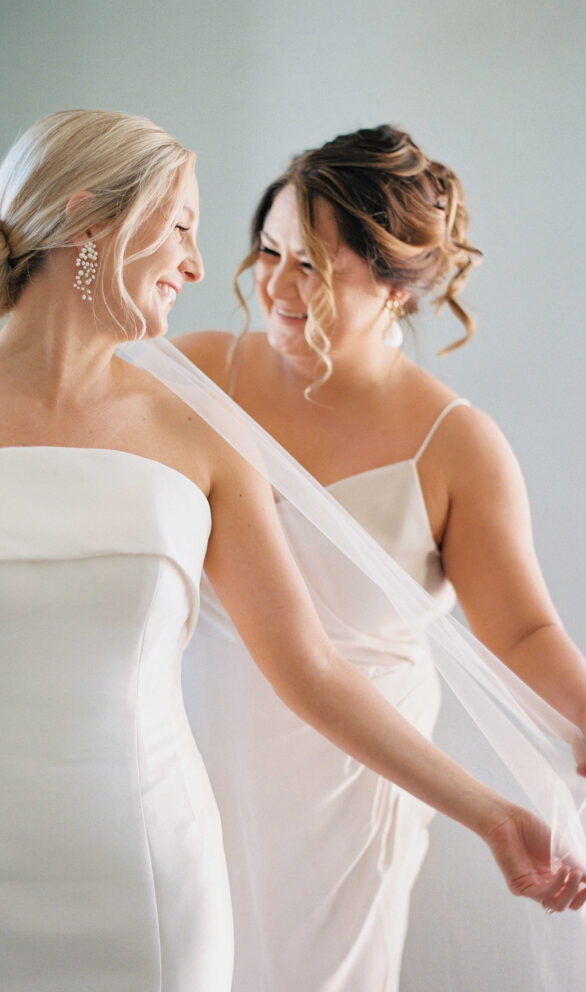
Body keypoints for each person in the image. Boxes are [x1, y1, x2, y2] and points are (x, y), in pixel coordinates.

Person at [0, 110, 582, 992]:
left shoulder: (212, 429)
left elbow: (331, 663)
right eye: (202, 233)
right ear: (90, 225)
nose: (215, 271)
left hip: (196, 836)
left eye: (310, 263)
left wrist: (495, 813)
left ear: (394, 290)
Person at [166, 125, 586, 991]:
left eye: (314, 266)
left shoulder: (454, 444)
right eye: (270, 250)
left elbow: (523, 629)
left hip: (357, 792)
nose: (277, 285)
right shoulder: (200, 375)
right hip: (195, 754)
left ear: (394, 285)